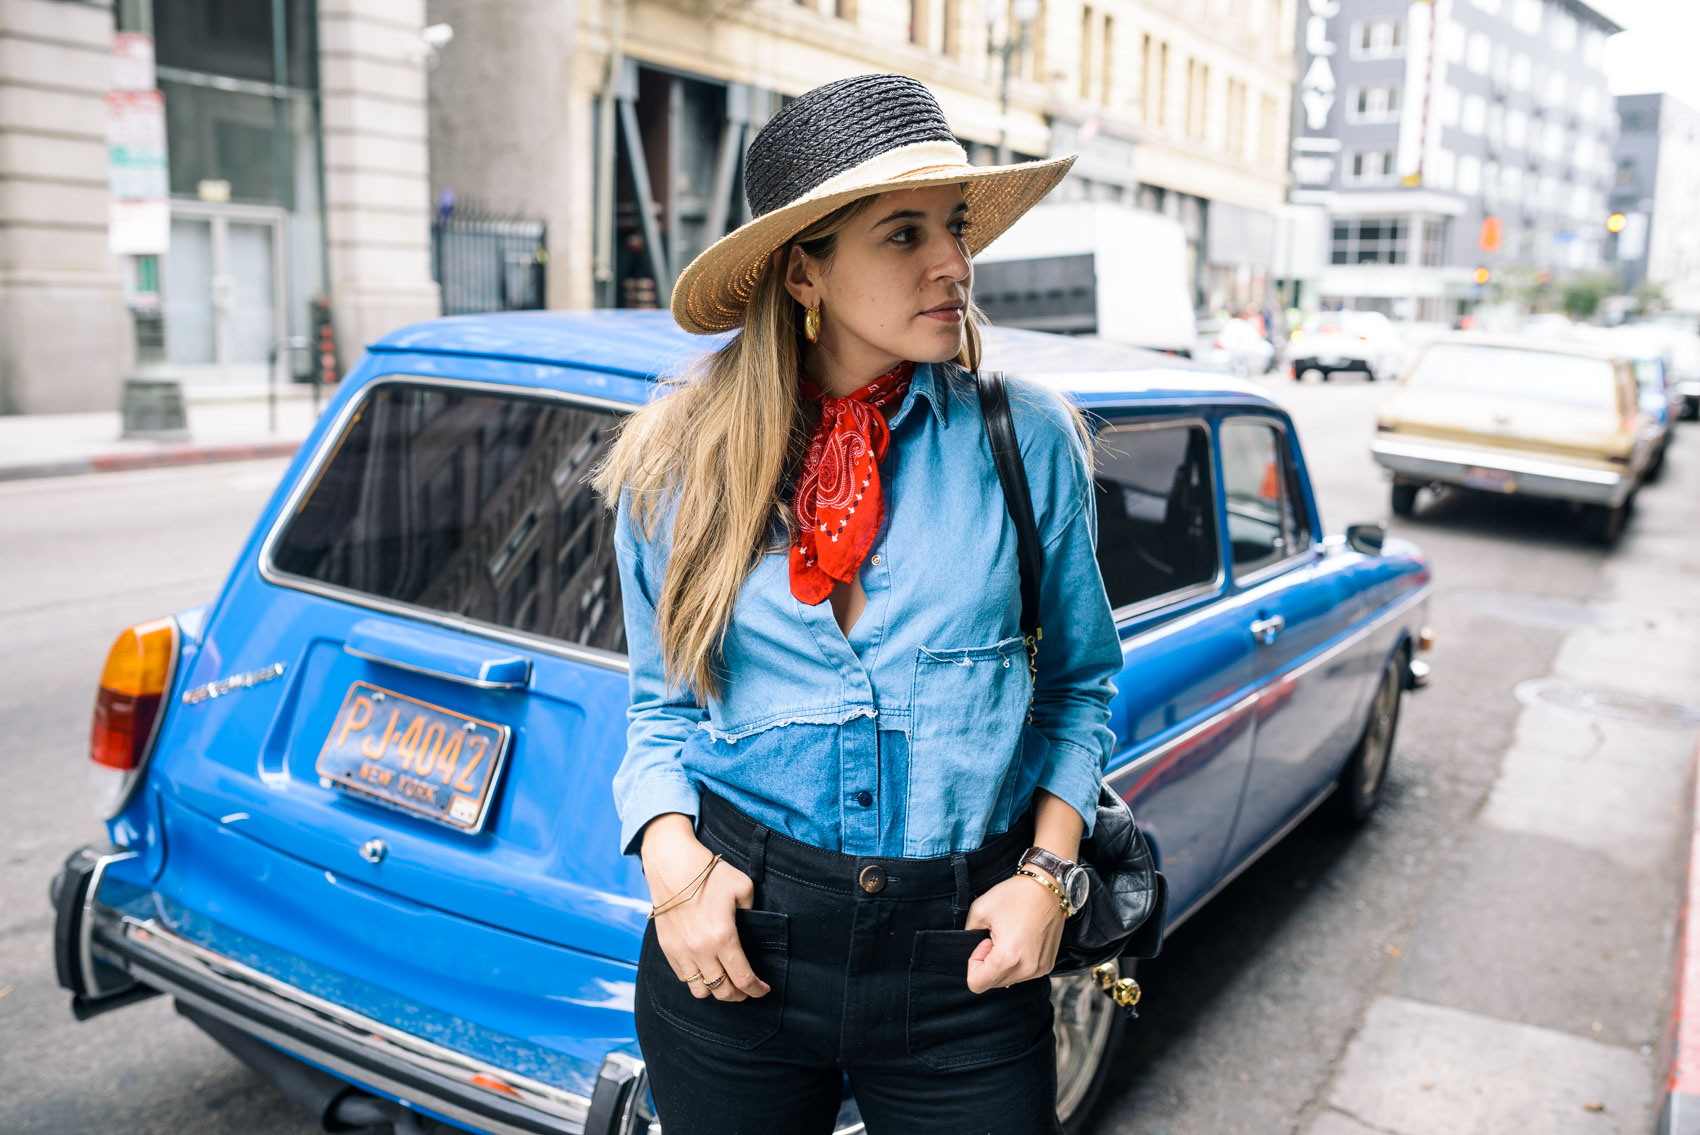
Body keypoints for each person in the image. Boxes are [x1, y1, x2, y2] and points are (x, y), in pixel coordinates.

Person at [589, 72, 1124, 1135]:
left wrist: (1047, 875)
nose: (951, 266)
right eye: (901, 235)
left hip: (961, 960)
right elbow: (658, 709)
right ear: (804, 271)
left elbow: (1078, 685)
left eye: (954, 228)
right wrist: (670, 863)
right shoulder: (677, 463)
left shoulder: (1026, 442)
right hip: (737, 946)